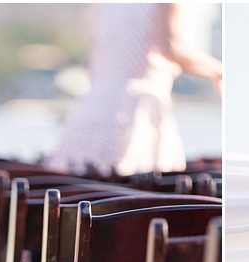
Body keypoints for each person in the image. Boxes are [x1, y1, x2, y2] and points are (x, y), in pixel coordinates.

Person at [47, 3, 222, 177]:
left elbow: (93, 63)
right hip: (134, 107)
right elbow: (172, 46)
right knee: (142, 195)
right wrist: (220, 71)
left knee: (77, 190)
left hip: (92, 106)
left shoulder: (105, 5)